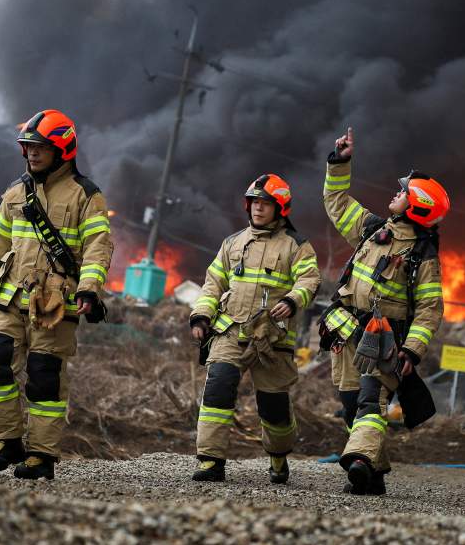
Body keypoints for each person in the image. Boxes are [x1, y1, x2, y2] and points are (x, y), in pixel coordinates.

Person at [0, 109, 113, 480]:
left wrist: (90, 290)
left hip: (56, 302)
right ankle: (4, 441)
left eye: (40, 147)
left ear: (62, 149)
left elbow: (99, 247)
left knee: (44, 376)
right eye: (28, 147)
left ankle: (40, 455)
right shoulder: (16, 193)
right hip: (9, 296)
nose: (32, 153)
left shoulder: (86, 195)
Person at [321, 127, 448, 495]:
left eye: (403, 192)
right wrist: (340, 163)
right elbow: (337, 202)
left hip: (385, 342)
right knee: (350, 406)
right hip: (346, 332)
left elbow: (429, 310)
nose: (396, 193)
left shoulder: (423, 257)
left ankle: (358, 463)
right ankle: (373, 474)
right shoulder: (374, 230)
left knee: (369, 403)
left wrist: (412, 350)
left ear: (417, 205)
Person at [189, 173, 321, 483]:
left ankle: (278, 457)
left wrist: (291, 300)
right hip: (230, 331)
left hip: (271, 339)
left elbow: (310, 279)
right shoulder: (233, 243)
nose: (258, 209)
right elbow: (213, 283)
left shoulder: (296, 246)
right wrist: (201, 316)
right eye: (254, 203)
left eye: (265, 204)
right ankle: (210, 461)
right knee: (217, 388)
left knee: (273, 407)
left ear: (280, 208)